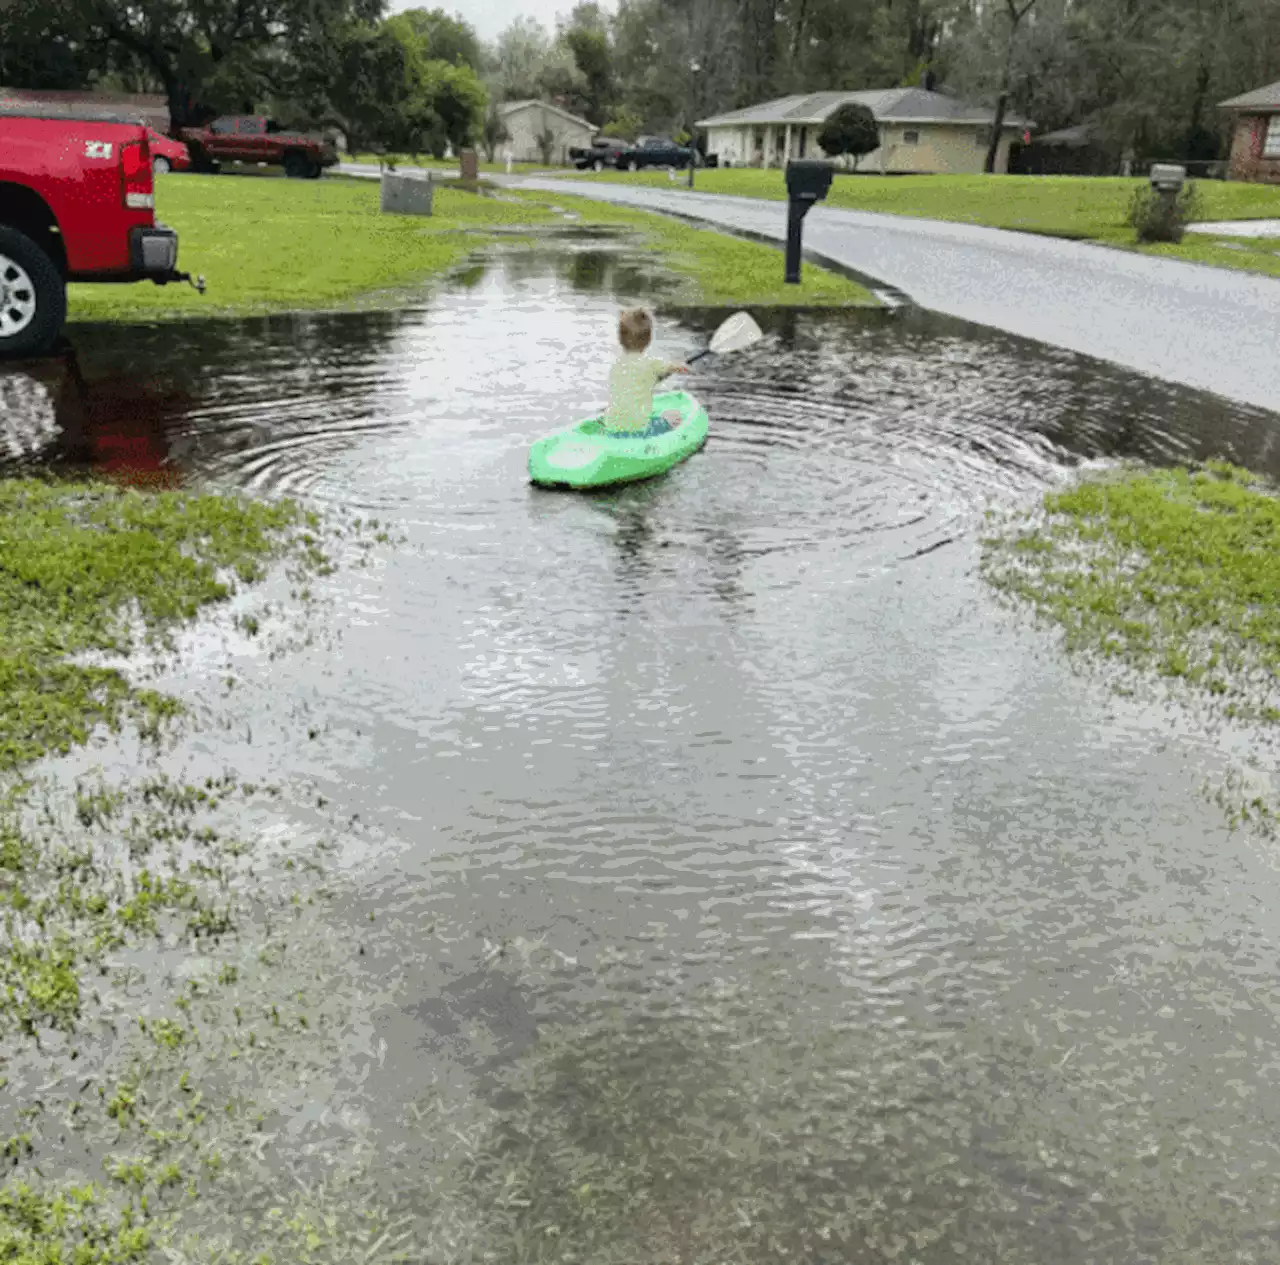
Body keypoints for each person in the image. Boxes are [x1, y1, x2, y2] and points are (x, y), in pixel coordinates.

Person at [604, 308, 689, 436]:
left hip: (612, 429)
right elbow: (671, 367)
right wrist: (681, 366)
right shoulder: (651, 363)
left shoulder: (616, 365)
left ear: (620, 339)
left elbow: (642, 382)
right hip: (639, 431)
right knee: (673, 416)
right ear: (648, 339)